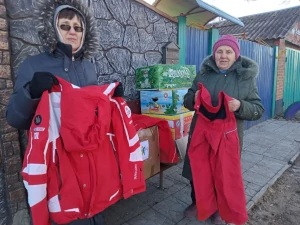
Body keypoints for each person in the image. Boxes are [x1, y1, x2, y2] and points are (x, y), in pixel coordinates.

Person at [6, 0, 105, 224]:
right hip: (57, 165)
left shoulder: (89, 66)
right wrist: (30, 92)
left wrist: (110, 100)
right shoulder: (33, 66)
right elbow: (14, 118)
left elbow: (93, 112)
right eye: (65, 26)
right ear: (53, 28)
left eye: (78, 27)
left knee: (95, 210)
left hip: (90, 160)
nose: (72, 31)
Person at [182, 35, 264, 224]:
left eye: (228, 52)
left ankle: (218, 208)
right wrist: (192, 99)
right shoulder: (203, 74)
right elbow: (187, 98)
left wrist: (240, 106)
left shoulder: (246, 78)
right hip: (201, 133)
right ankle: (198, 202)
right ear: (214, 54)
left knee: (223, 173)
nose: (223, 56)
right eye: (219, 51)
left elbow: (258, 109)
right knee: (197, 170)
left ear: (236, 55)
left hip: (228, 137)